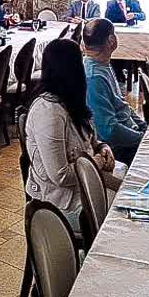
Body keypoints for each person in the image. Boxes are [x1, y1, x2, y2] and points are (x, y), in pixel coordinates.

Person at [24, 38, 121, 231]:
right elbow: (60, 177)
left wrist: (103, 148)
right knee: (122, 216)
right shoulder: (48, 112)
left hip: (85, 183)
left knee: (131, 192)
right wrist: (97, 161)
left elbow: (89, 140)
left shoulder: (70, 99)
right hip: (61, 202)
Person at [80, 19, 145, 164]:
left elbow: (122, 105)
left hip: (129, 136)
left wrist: (144, 128)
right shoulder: (94, 77)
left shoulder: (102, 64)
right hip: (117, 148)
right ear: (111, 40)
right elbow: (109, 131)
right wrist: (142, 138)